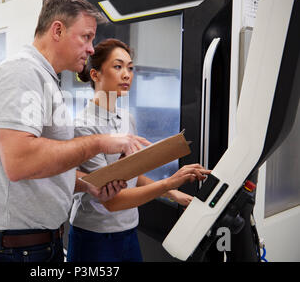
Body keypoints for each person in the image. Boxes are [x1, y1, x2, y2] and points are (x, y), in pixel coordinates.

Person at [0, 0, 151, 262]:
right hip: (17, 249)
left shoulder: (45, 79)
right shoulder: (22, 73)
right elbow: (20, 161)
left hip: (37, 243)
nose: (91, 48)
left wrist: (87, 184)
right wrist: (100, 142)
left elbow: (42, 168)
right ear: (57, 30)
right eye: (86, 37)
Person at [67, 38, 210, 262]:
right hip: (94, 238)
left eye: (130, 68)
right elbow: (112, 200)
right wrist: (169, 182)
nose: (127, 74)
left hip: (129, 232)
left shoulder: (127, 119)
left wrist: (172, 194)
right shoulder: (84, 126)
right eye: (118, 66)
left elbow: (132, 175)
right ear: (95, 75)